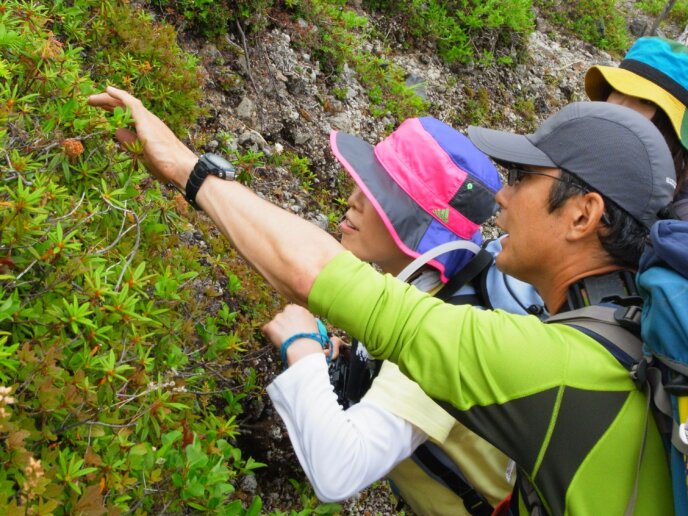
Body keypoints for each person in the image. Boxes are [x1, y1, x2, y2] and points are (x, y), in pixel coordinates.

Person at [89, 88, 675, 514]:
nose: (502, 195)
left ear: (582, 214)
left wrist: (185, 168)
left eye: (523, 177)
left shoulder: (551, 359)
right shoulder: (620, 326)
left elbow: (314, 273)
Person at [266, 117, 543, 515]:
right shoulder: (429, 290)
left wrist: (302, 349)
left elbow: (338, 472)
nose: (355, 198)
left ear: (421, 226)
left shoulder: (448, 331)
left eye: (381, 192)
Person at [585, 36, 688, 219]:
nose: (620, 106)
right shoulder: (576, 144)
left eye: (646, 101)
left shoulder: (679, 215)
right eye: (618, 90)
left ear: (672, 127)